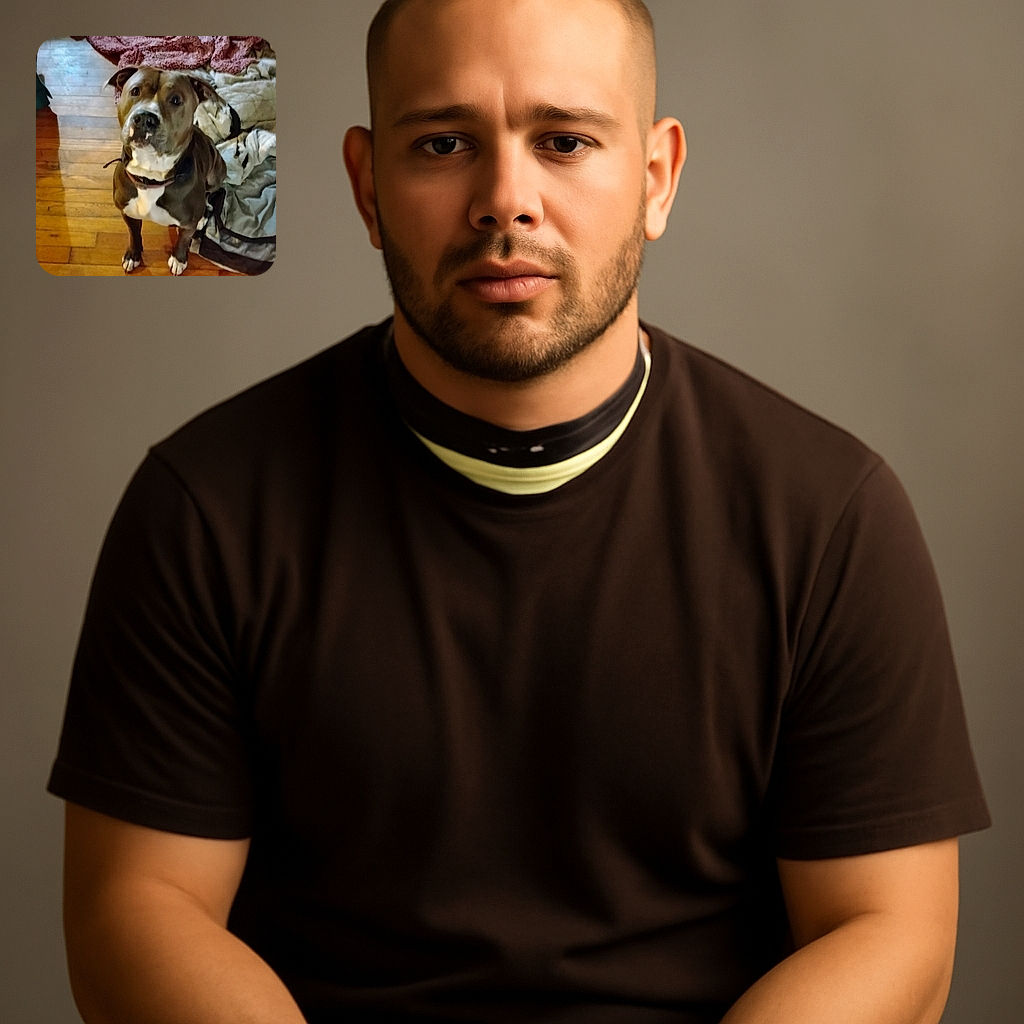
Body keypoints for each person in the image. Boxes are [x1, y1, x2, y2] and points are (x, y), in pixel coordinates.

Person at [48, 1, 990, 1021]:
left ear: (655, 177)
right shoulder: (206, 509)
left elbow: (889, 931)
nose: (505, 200)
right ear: (366, 186)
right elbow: (136, 909)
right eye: (444, 143)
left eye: (565, 141)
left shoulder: (828, 518)